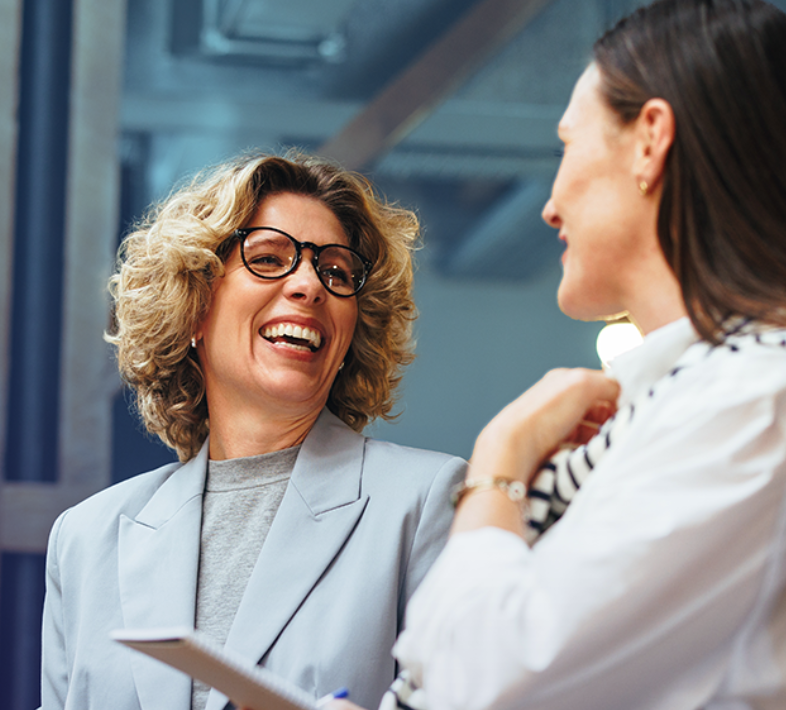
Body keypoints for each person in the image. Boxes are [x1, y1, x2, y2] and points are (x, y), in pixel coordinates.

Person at [330, 1, 786, 709]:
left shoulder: (769, 392)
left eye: (568, 144)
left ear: (650, 139)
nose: (550, 203)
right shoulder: (708, 396)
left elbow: (492, 679)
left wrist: (498, 467)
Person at [38, 152, 467, 710]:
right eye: (269, 258)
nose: (311, 285)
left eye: (337, 272)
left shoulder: (426, 501)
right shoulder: (85, 538)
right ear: (193, 305)